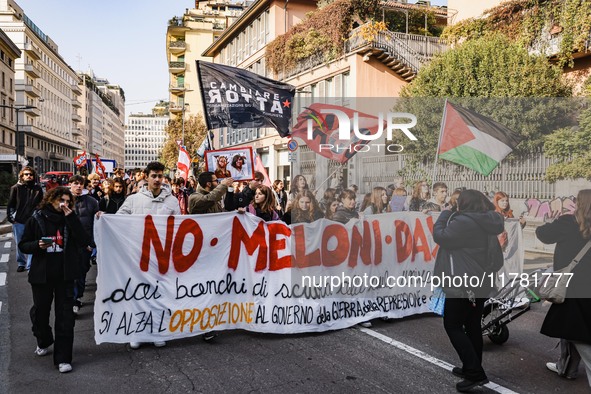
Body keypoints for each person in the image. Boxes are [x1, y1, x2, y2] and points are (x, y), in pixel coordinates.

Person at [432, 189, 504, 392]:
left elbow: (440, 236)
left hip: (462, 282)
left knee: (452, 324)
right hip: (480, 280)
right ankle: (471, 366)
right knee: (472, 324)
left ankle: (475, 373)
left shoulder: (464, 222)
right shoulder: (488, 220)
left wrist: (445, 213)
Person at [18, 187, 93, 373]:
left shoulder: (70, 219)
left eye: (68, 201)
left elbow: (84, 242)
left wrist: (72, 219)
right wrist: (38, 245)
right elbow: (24, 245)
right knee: (40, 313)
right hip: (42, 276)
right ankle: (43, 340)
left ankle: (63, 358)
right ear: (51, 200)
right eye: (61, 201)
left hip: (65, 276)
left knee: (65, 317)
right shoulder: (37, 218)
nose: (65, 205)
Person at [116, 161, 181, 349]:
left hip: (162, 256)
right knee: (138, 294)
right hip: (138, 254)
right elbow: (118, 219)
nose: (158, 179)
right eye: (154, 175)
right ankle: (137, 332)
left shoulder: (172, 201)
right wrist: (104, 217)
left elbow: (179, 226)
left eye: (160, 176)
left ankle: (158, 331)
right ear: (146, 177)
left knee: (160, 294)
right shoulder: (134, 200)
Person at [536, 189, 591, 385]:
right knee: (574, 326)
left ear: (578, 203)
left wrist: (554, 221)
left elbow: (542, 234)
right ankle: (567, 367)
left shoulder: (569, 223)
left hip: (571, 285)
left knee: (576, 330)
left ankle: (568, 366)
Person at [188, 171, 234, 342]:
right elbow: (208, 201)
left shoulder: (216, 195)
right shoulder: (195, 197)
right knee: (203, 290)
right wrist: (224, 186)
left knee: (215, 288)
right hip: (200, 252)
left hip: (215, 250)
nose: (219, 182)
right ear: (209, 184)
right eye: (216, 181)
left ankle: (213, 321)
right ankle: (204, 325)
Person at [69, 175, 99, 316]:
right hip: (70, 244)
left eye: (81, 184)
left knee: (82, 270)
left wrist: (92, 244)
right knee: (73, 273)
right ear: (70, 185)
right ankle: (74, 300)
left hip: (85, 244)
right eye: (76, 184)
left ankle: (79, 294)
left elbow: (95, 225)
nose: (79, 186)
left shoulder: (92, 202)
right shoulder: (65, 201)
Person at [7, 166, 44, 272]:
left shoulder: (38, 189)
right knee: (20, 243)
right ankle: (21, 263)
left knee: (33, 242)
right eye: (26, 174)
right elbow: (11, 204)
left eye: (31, 174)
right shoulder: (15, 188)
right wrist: (10, 218)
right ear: (22, 176)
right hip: (19, 220)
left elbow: (41, 203)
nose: (29, 176)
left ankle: (30, 265)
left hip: (34, 220)